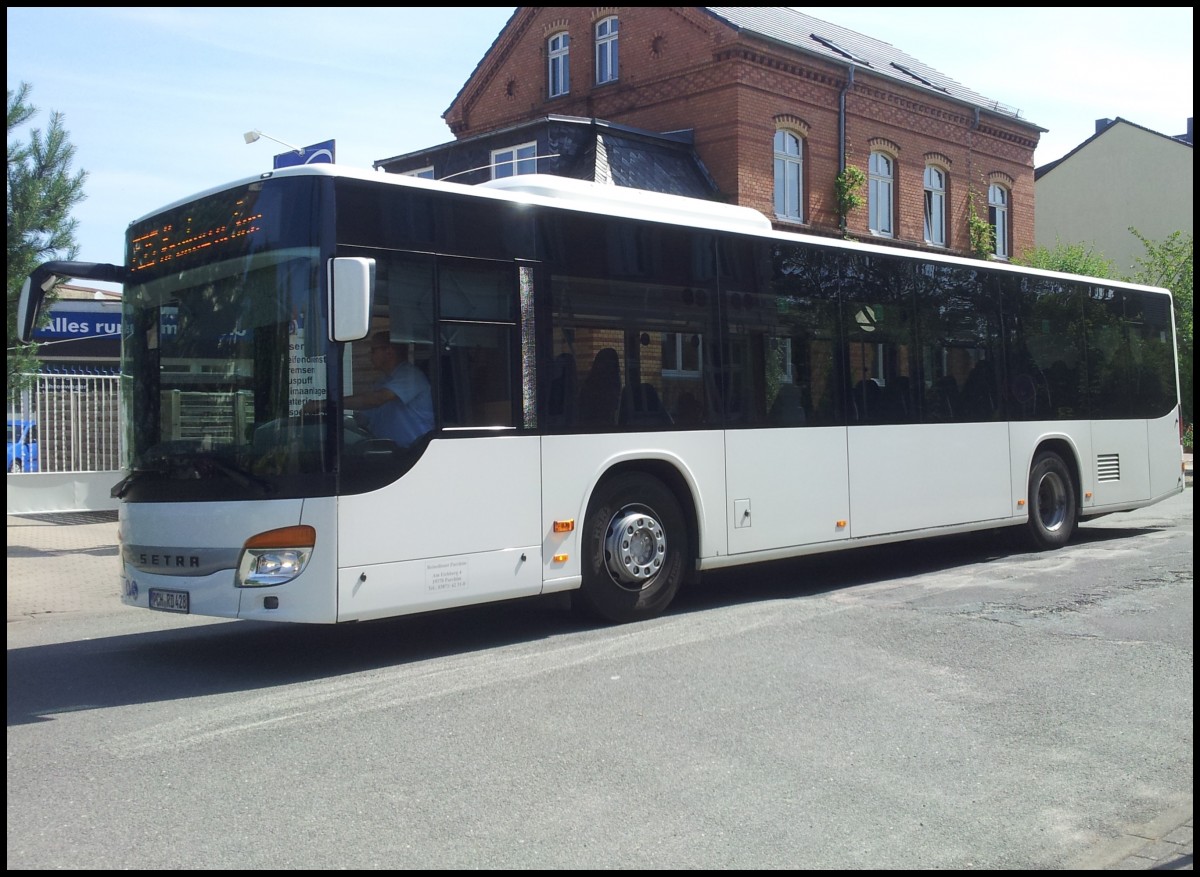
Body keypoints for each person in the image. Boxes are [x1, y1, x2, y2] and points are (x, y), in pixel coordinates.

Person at [305, 332, 433, 446]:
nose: (369, 355)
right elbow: (365, 419)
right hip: (390, 453)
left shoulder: (410, 376)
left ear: (389, 351)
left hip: (415, 453)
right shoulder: (383, 382)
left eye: (373, 350)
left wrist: (325, 404)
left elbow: (376, 400)